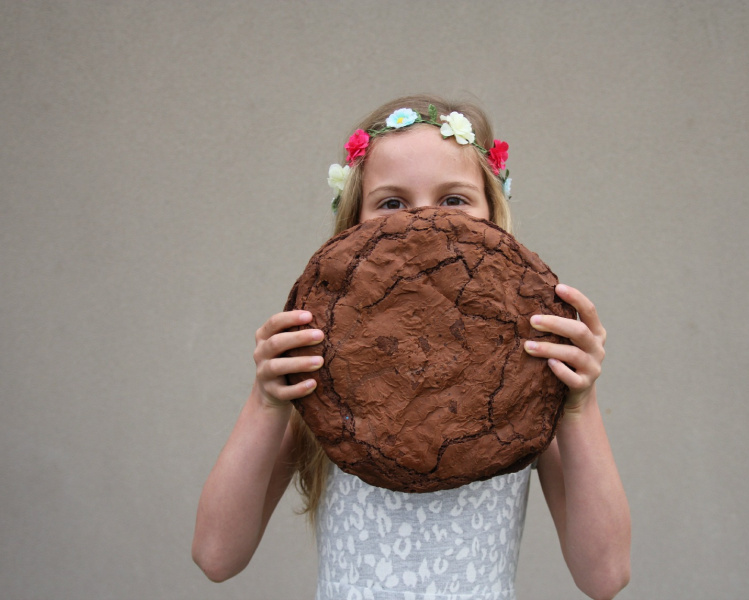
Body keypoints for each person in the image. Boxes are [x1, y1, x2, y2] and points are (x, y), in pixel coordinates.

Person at [192, 94, 631, 600]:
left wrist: (578, 404)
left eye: (454, 200)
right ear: (354, 225)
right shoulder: (323, 379)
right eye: (392, 203)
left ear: (494, 216)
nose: (424, 221)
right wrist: (266, 400)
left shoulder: (526, 387)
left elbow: (605, 576)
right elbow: (217, 555)